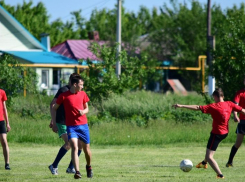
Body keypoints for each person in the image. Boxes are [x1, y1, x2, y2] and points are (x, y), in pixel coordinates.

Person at [173, 88, 245, 179]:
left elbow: (197, 107)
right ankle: (203, 163)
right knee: (209, 149)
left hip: (216, 134)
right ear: (223, 96)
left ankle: (220, 175)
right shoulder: (230, 104)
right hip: (225, 133)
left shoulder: (214, 106)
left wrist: (181, 106)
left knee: (209, 156)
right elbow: (242, 110)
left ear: (215, 96)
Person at [51, 75, 93, 179]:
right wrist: (54, 121)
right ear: (75, 84)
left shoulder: (83, 94)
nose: (82, 87)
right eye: (81, 85)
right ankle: (77, 171)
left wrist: (83, 111)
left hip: (83, 125)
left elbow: (87, 108)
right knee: (74, 146)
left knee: (86, 149)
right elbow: (54, 107)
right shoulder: (64, 95)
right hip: (71, 127)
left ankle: (88, 167)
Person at [48, 73, 82, 175]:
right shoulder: (63, 90)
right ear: (73, 82)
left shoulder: (78, 92)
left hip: (72, 122)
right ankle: (53, 166)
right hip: (62, 121)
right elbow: (53, 104)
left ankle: (71, 168)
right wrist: (53, 121)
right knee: (69, 144)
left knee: (80, 145)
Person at [226, 77, 245, 167]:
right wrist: (235, 115)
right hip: (243, 122)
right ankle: (230, 162)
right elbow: (235, 106)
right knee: (238, 143)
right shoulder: (240, 93)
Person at [0, 89, 11, 170]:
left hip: (1, 121)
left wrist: (7, 123)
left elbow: (4, 108)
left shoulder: (2, 92)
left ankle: (7, 164)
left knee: (4, 140)